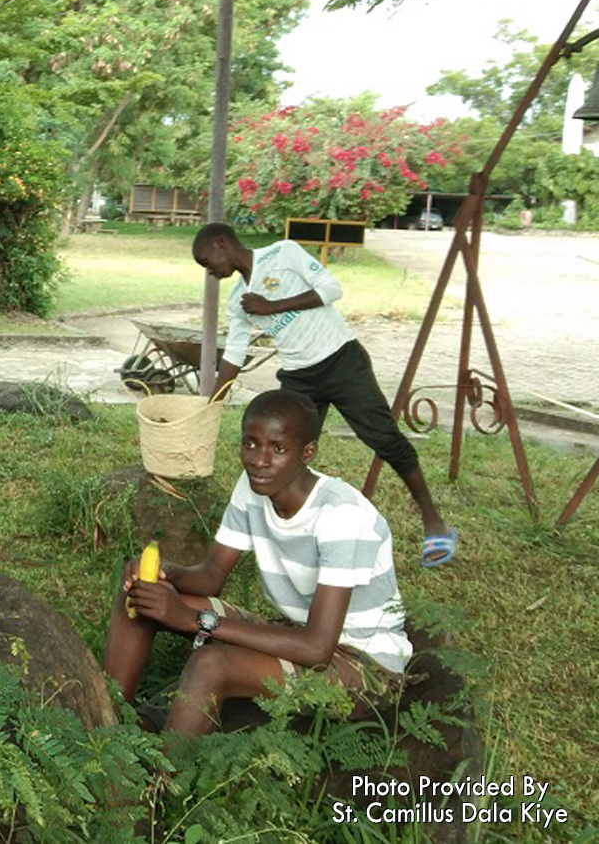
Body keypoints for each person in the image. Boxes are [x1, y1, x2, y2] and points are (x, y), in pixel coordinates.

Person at [103, 389, 411, 737]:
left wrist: (194, 620)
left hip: (362, 665)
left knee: (212, 665)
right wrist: (169, 573)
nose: (259, 460)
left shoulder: (340, 515)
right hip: (295, 633)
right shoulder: (253, 488)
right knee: (141, 597)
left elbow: (317, 648)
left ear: (308, 452)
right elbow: (211, 575)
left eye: (278, 449)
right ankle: (108, 727)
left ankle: (162, 783)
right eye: (250, 444)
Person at [194, 223, 457, 567]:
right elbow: (234, 355)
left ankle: (432, 521)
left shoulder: (283, 253)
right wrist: (208, 408)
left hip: (341, 361)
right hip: (300, 377)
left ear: (221, 243)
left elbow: (332, 289)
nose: (211, 273)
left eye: (207, 262)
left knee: (386, 440)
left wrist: (272, 306)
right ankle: (283, 533)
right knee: (282, 453)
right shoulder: (238, 302)